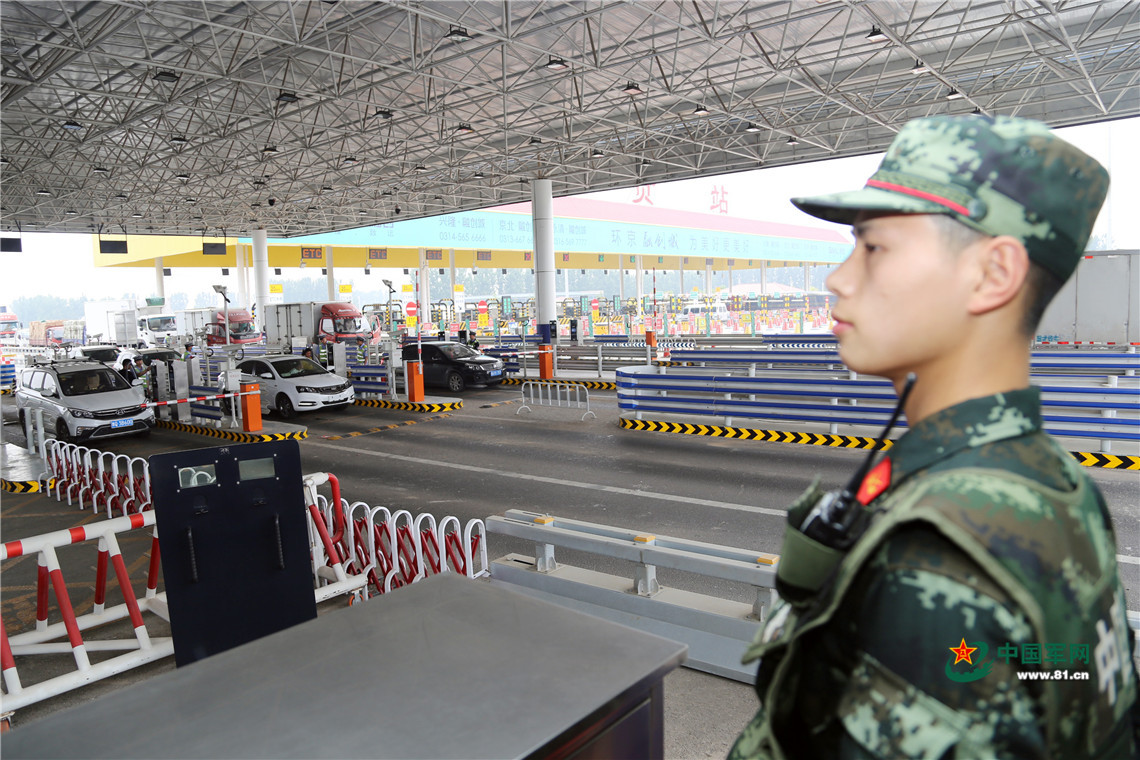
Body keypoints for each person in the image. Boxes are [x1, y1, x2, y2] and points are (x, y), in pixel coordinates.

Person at [730, 115, 1138, 759]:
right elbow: (1050, 668)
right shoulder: (1051, 482)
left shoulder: (937, 555)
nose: (837, 278)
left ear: (991, 275)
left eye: (873, 248)